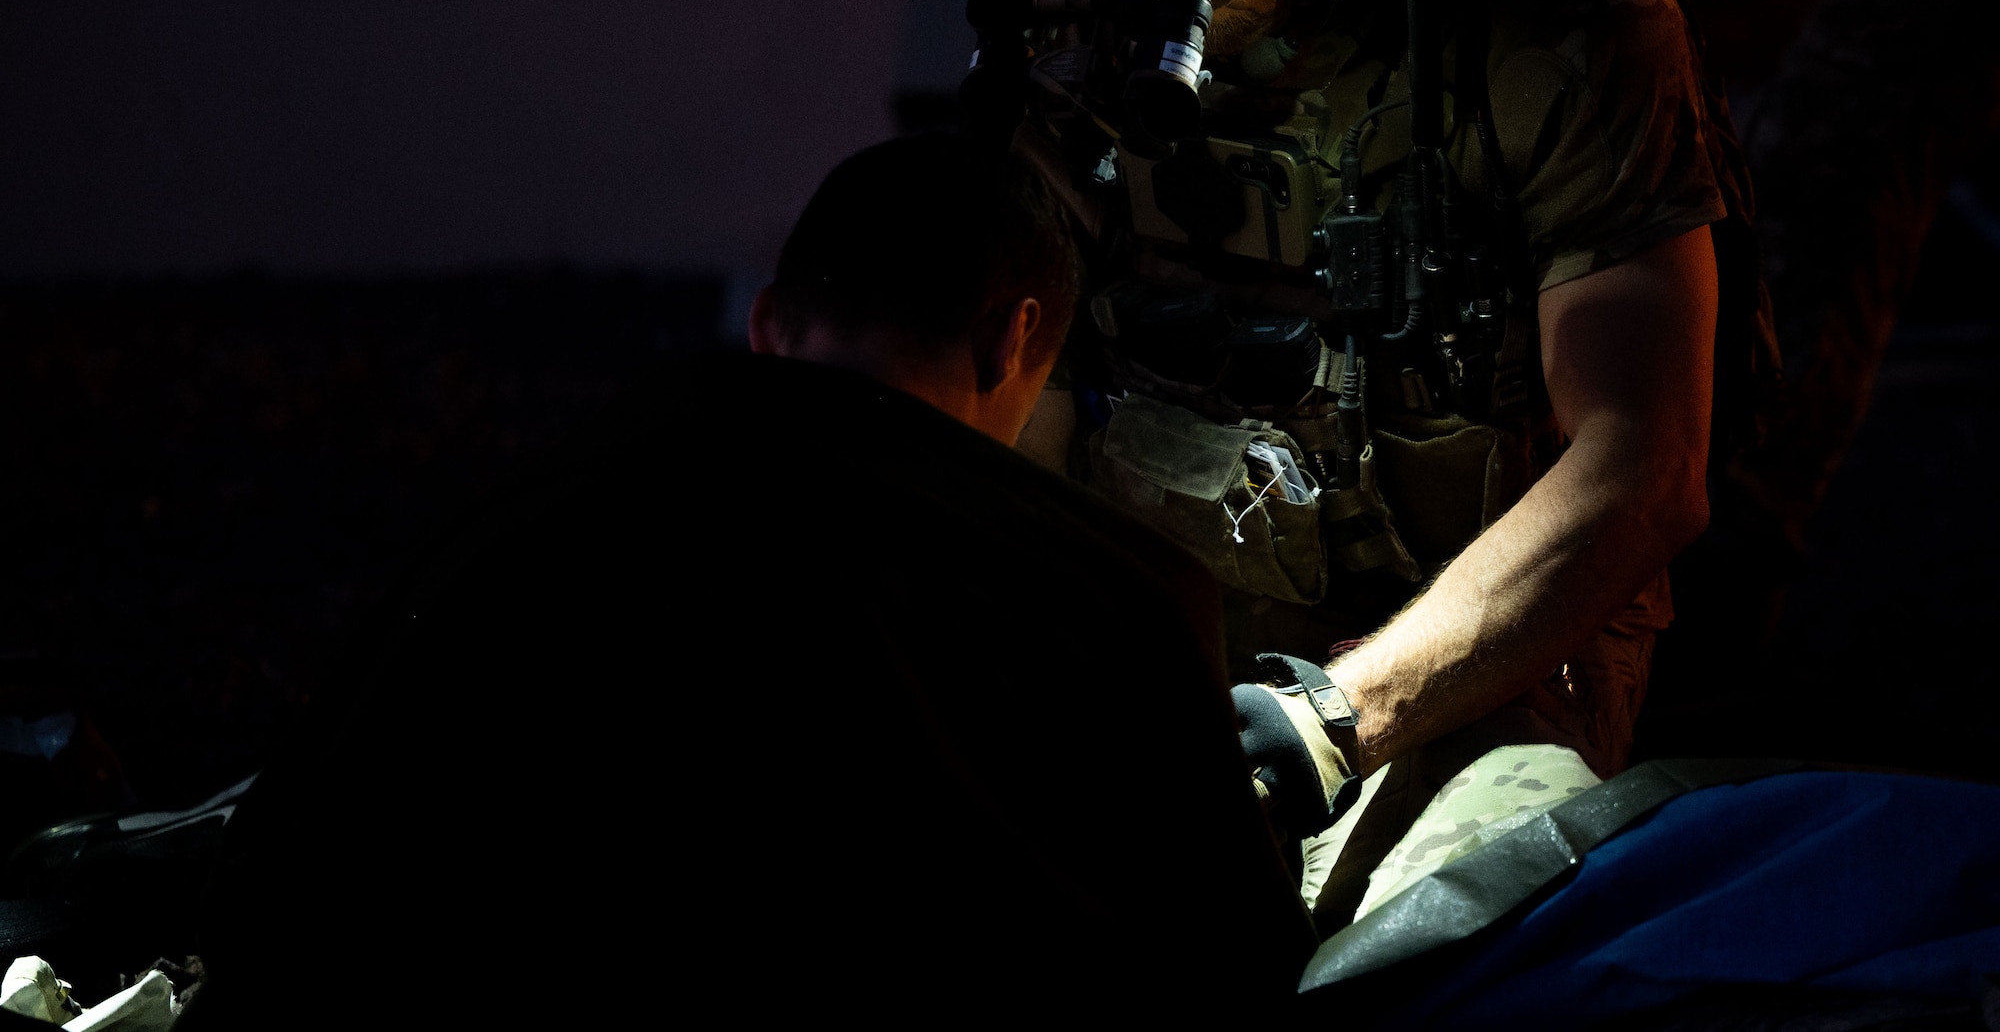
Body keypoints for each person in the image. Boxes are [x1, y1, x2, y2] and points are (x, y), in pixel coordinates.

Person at [940, 0, 1762, 925]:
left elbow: (1642, 468)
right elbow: (1003, 398)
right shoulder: (1087, 24)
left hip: (1484, 652)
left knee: (1442, 934)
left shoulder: (1552, 21)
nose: (1132, 19)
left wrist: (1336, 715)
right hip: (1161, 628)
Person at [181, 135, 1315, 1027]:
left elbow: (277, 883)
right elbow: (1234, 965)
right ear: (1008, 338)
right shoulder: (1118, 593)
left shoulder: (520, 507)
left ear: (771, 321)